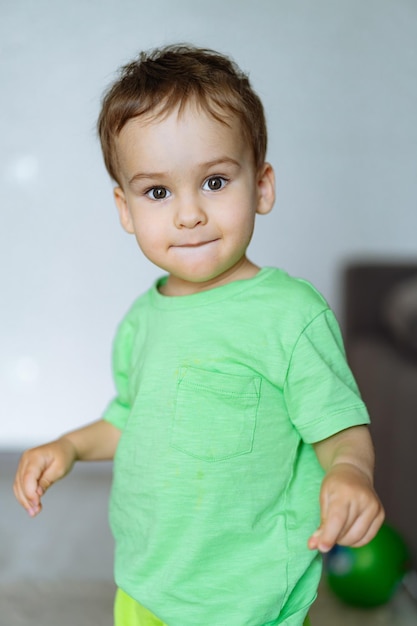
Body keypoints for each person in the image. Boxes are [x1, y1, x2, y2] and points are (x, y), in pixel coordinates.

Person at [13, 44, 384, 626]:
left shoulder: (289, 314)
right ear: (126, 208)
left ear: (261, 186)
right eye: (158, 192)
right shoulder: (143, 318)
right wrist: (69, 447)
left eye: (214, 181)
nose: (188, 214)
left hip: (247, 595)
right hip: (147, 579)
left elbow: (338, 426)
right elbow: (128, 417)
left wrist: (350, 473)